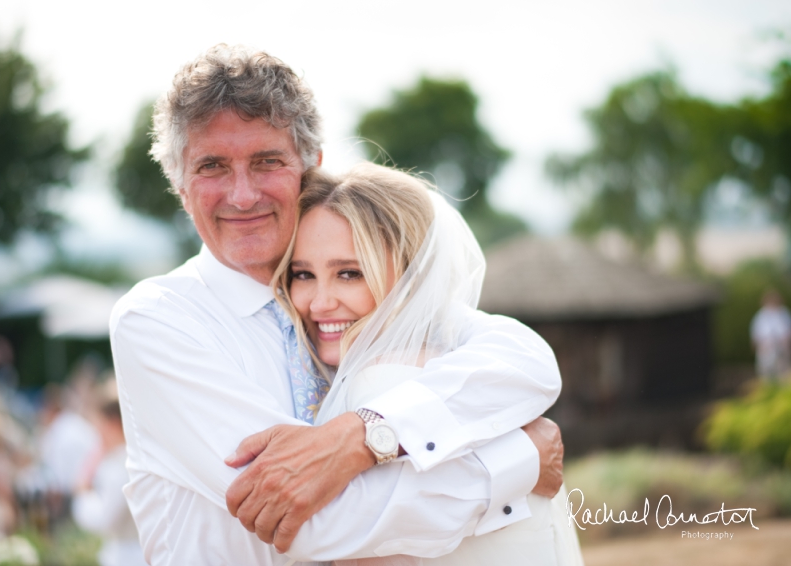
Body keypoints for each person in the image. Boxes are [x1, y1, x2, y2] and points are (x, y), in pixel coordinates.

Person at [110, 43, 564, 565]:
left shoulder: (347, 306)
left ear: (310, 167)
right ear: (179, 184)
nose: (241, 195)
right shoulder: (159, 320)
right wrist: (514, 465)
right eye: (212, 166)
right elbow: (311, 523)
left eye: (266, 162)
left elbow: (524, 359)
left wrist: (362, 434)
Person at [269, 163, 582, 565]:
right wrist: (520, 463)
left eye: (349, 273)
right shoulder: (459, 365)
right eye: (303, 274)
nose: (319, 302)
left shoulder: (379, 384)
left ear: (409, 278)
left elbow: (353, 540)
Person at [72, 382, 146, 566]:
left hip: (129, 556)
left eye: (99, 423)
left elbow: (104, 519)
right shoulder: (136, 458)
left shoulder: (119, 466)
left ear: (111, 423)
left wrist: (82, 494)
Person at [750, 289, 791, 380]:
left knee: (783, 375)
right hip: (766, 348)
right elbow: (755, 334)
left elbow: (788, 332)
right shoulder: (760, 315)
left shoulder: (784, 313)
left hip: (781, 348)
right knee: (766, 375)